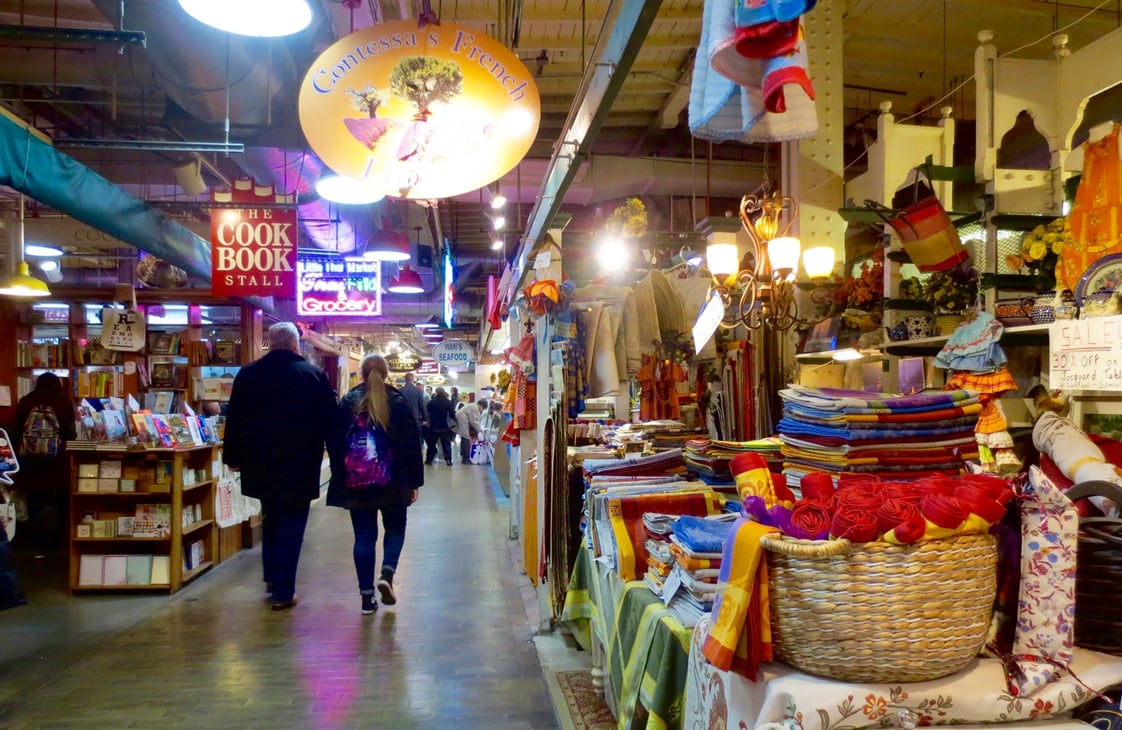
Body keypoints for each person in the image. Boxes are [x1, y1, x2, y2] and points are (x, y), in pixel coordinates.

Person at [223, 322, 336, 611]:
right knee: (292, 524)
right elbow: (329, 422)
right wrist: (337, 458)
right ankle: (284, 592)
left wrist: (232, 457)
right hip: (300, 461)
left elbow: (234, 417)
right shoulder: (312, 375)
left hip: (259, 461)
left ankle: (272, 577)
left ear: (270, 344)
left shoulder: (248, 374)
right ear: (296, 344)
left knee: (270, 516)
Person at [326, 354, 423, 614]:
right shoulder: (398, 402)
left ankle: (367, 598)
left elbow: (334, 443)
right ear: (387, 373)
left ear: (361, 373)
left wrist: (341, 475)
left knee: (364, 537)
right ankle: (387, 573)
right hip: (394, 482)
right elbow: (412, 444)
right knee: (395, 528)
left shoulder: (348, 402)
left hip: (357, 482)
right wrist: (414, 482)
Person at [11, 372, 77, 550]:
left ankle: (36, 542)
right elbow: (70, 434)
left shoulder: (26, 401)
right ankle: (61, 539)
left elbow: (17, 432)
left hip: (31, 463)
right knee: (62, 500)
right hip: (58, 463)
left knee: (34, 500)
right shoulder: (63, 403)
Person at [424, 387, 456, 466]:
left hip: (433, 427)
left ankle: (429, 460)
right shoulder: (448, 402)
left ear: (436, 392)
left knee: (431, 445)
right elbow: (452, 414)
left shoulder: (431, 402)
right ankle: (448, 460)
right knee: (446, 444)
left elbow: (427, 413)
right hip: (445, 427)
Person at [454, 398, 488, 465]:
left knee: (465, 438)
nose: (482, 410)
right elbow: (474, 422)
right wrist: (480, 430)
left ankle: (464, 456)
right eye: (483, 409)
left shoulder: (473, 406)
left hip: (462, 419)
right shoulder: (474, 408)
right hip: (462, 420)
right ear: (481, 405)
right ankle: (465, 459)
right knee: (466, 438)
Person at [399, 373, 427, 443]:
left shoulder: (400, 391)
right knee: (417, 440)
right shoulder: (418, 391)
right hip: (416, 419)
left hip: (403, 420)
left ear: (405, 379)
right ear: (413, 379)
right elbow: (422, 405)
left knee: (405, 440)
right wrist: (425, 419)